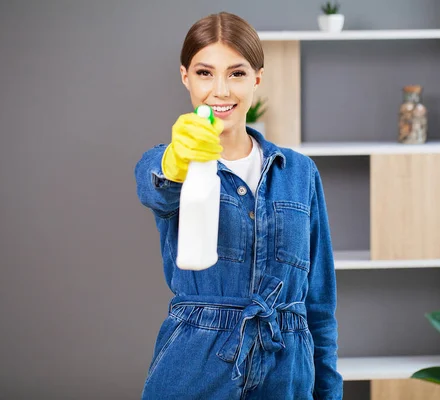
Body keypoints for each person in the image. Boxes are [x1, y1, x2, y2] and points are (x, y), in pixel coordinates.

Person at [134, 11, 343, 400]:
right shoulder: (171, 163)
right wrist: (178, 159)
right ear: (185, 77)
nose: (221, 91)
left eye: (236, 73)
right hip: (197, 365)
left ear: (257, 78)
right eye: (204, 73)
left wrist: (329, 390)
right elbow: (154, 189)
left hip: (287, 370)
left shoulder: (299, 173)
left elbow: (319, 301)